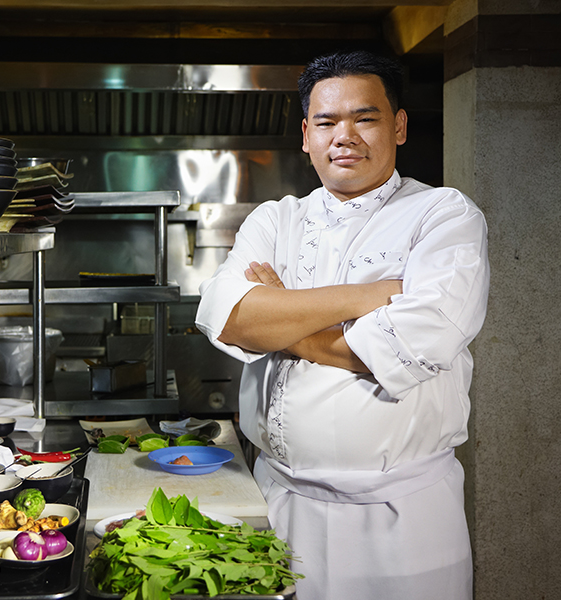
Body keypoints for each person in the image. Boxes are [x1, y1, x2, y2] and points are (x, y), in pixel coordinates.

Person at [195, 50, 490, 600]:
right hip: (277, 502)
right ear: (306, 135)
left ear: (398, 126)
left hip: (400, 520)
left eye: (366, 118)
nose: (344, 135)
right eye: (327, 121)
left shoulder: (444, 216)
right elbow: (232, 318)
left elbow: (409, 344)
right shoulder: (275, 219)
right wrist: (368, 298)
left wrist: (283, 316)